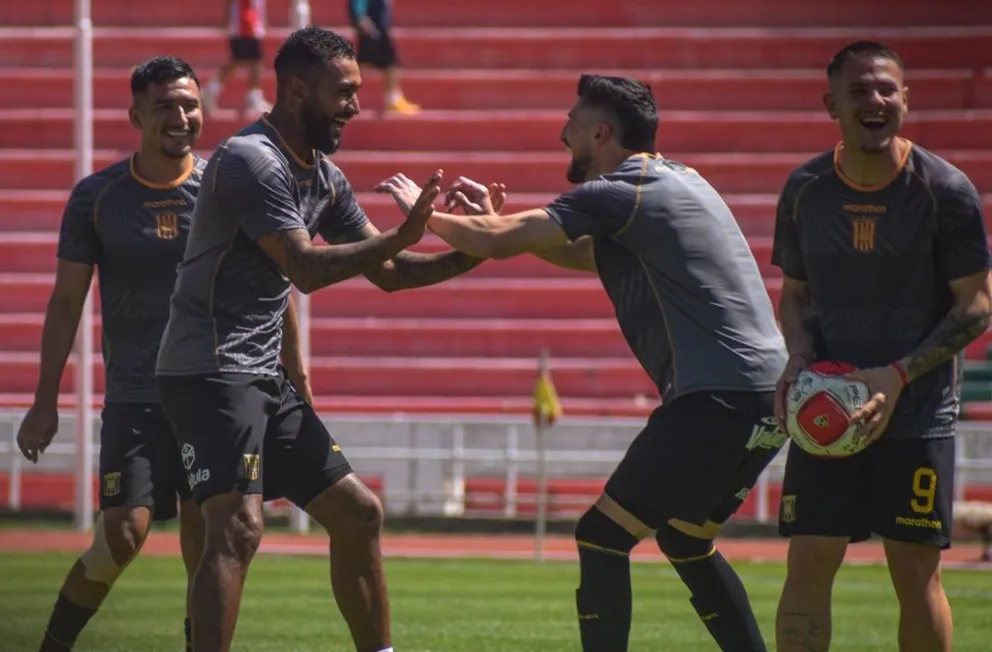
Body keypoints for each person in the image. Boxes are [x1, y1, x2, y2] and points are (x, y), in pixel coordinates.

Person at [376, 73, 789, 651]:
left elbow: (499, 242)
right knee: (686, 541)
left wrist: (424, 218)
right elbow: (578, 253)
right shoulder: (674, 180)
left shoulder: (621, 188)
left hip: (715, 398)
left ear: (601, 132)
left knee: (601, 535)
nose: (561, 132)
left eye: (571, 122)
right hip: (767, 398)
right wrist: (497, 222)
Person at [154, 26, 483, 652]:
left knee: (358, 514)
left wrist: (476, 248)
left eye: (357, 92)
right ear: (298, 87)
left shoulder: (323, 176)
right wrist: (399, 235)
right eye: (344, 93)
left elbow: (389, 274)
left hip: (259, 375)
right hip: (209, 368)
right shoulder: (252, 159)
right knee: (238, 529)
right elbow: (304, 268)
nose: (356, 106)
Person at [770, 40, 992, 652]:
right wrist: (795, 356)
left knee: (916, 573)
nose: (876, 101)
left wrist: (897, 375)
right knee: (809, 560)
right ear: (831, 104)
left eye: (887, 89)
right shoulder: (805, 189)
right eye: (860, 90)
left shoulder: (945, 190)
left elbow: (978, 305)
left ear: (905, 100)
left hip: (918, 414)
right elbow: (795, 296)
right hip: (825, 412)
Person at [15, 56, 210, 652]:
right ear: (136, 116)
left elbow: (268, 290)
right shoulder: (97, 197)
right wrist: (44, 401)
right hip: (134, 398)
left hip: (211, 395)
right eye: (165, 108)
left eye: (190, 105)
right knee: (122, 535)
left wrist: (293, 377)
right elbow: (67, 301)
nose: (180, 118)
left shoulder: (223, 191)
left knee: (210, 547)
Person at [347, 0, 421, 114]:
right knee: (389, 62)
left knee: (365, 62)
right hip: (372, 25)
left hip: (377, 23)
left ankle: (342, 95)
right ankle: (393, 99)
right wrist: (360, 16)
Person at [201, 0, 272, 117]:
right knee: (242, 61)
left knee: (254, 61)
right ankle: (210, 91)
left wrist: (262, 21)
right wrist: (226, 19)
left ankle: (253, 96)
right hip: (243, 24)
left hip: (252, 24)